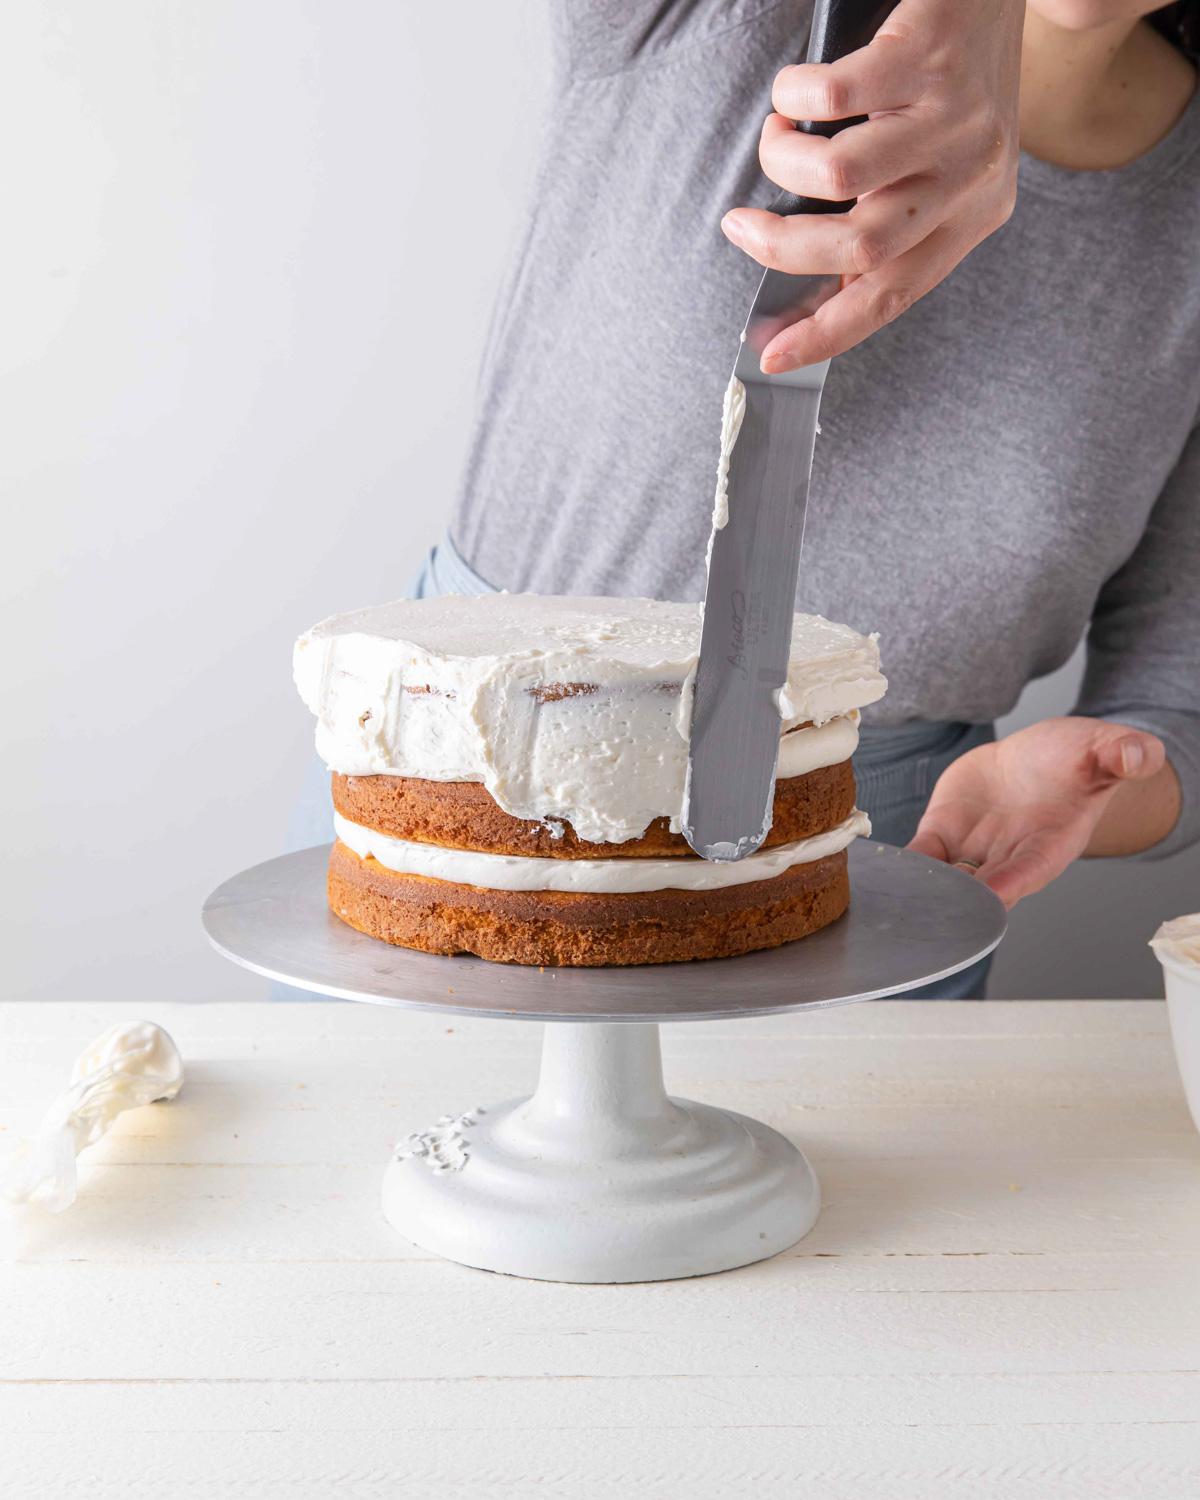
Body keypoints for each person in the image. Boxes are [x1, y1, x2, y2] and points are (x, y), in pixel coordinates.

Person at [290, 0, 1200, 998]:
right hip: (448, 811)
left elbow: (1177, 697)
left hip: (876, 871)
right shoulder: (718, 20)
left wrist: (1100, 783)